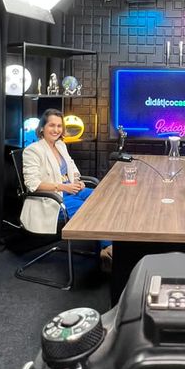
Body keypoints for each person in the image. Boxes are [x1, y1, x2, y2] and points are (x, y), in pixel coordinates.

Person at [20, 109, 112, 264]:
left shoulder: (61, 145)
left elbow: (72, 168)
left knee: (104, 199)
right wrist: (64, 187)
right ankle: (107, 247)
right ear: (42, 128)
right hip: (52, 200)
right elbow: (32, 185)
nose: (56, 130)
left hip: (70, 191)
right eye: (51, 125)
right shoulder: (33, 150)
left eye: (59, 126)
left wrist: (78, 181)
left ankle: (105, 247)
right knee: (89, 208)